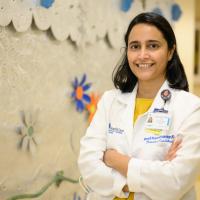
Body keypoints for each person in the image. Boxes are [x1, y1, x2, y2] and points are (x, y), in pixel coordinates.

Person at [78, 12, 200, 200]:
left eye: (153, 45)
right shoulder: (110, 101)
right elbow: (88, 165)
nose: (142, 55)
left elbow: (175, 181)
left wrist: (114, 160)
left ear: (170, 51)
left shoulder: (191, 108)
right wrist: (147, 179)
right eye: (135, 46)